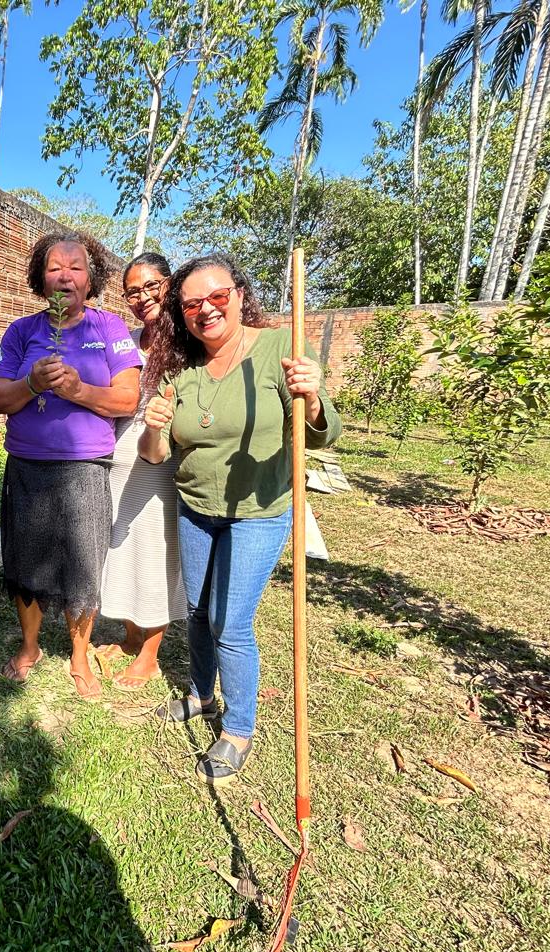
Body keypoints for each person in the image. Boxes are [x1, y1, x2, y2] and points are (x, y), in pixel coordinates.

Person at [138, 252, 342, 785]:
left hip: (259, 512)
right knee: (198, 611)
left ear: (240, 296)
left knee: (230, 621)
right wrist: (154, 427)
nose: (205, 310)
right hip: (196, 507)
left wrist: (313, 399)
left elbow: (325, 432)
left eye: (217, 297)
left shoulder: (279, 349)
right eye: (190, 305)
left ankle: (238, 728)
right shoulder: (182, 371)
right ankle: (203, 695)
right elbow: (155, 455)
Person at [0, 230, 141, 700]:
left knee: (82, 566)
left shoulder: (108, 329)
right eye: (55, 267)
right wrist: (32, 383)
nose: (65, 275)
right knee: (25, 562)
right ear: (41, 278)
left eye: (75, 268)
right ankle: (30, 646)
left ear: (89, 279)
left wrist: (78, 390)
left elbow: (128, 398)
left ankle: (79, 655)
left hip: (85, 468)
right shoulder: (21, 331)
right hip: (27, 466)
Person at [97, 252, 188, 688]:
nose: (142, 297)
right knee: (123, 547)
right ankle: (132, 636)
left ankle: (151, 652)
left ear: (170, 284)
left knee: (156, 552)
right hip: (119, 459)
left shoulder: (187, 343)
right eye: (132, 291)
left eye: (152, 286)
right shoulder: (129, 338)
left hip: (162, 463)